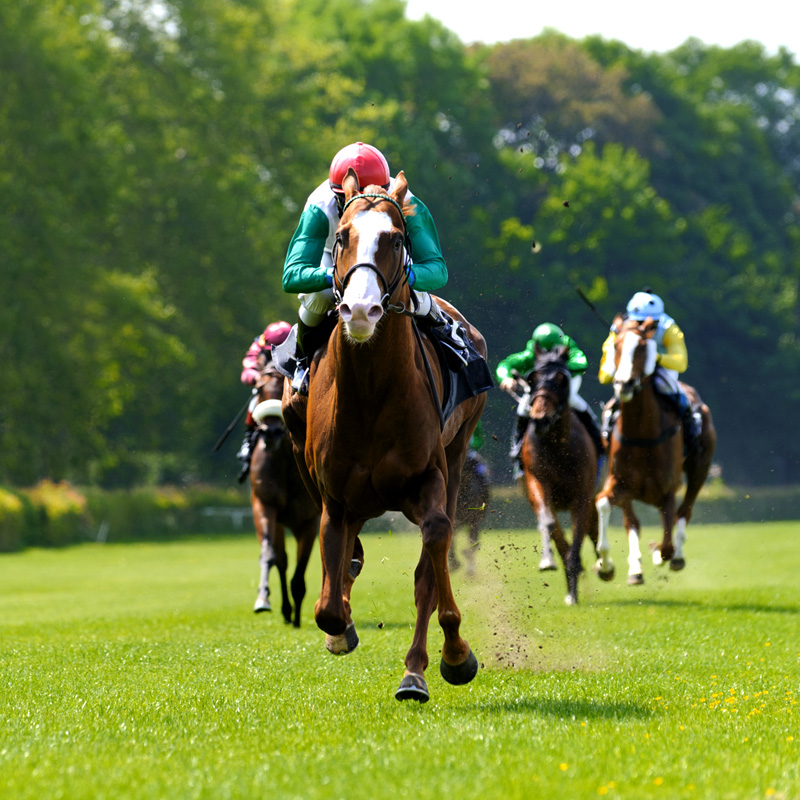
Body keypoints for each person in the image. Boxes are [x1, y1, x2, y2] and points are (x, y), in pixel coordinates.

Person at [281, 141, 468, 395]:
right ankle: (302, 360)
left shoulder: (408, 203)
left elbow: (437, 270)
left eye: (375, 196)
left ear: (389, 189)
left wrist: (405, 278)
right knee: (317, 297)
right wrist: (334, 277)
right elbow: (292, 276)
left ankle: (444, 330)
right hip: (335, 253)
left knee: (412, 295)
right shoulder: (319, 206)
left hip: (385, 253)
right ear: (338, 193)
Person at [598, 289, 702, 452]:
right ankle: (606, 434)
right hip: (633, 369)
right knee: (612, 404)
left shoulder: (669, 328)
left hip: (661, 367)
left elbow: (681, 362)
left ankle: (691, 433)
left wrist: (655, 357)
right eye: (638, 322)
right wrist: (609, 372)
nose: (643, 328)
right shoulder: (619, 328)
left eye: (650, 324)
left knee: (671, 390)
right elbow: (607, 362)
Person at [497, 322, 604, 478]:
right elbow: (506, 364)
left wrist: (560, 365)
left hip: (564, 384)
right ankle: (517, 448)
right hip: (542, 386)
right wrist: (505, 377)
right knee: (522, 409)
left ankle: (598, 443)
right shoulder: (531, 352)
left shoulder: (568, 345)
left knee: (576, 402)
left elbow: (582, 362)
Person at [236, 320, 292, 482]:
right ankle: (248, 441)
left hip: (289, 388)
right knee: (254, 403)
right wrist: (257, 377)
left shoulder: (297, 345)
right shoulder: (259, 345)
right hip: (266, 388)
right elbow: (248, 368)